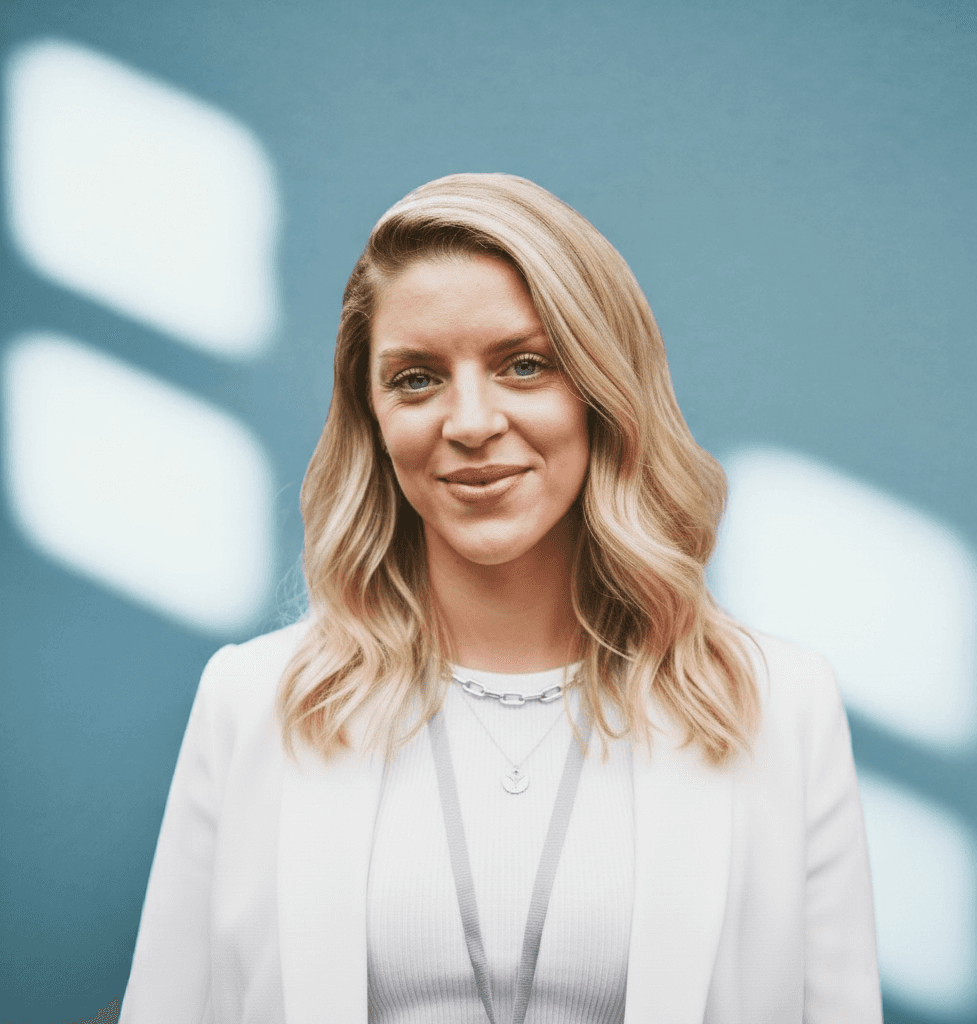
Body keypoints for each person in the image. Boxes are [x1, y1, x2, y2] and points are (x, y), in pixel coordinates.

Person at [120, 173, 882, 1023]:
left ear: (603, 391)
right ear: (371, 417)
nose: (472, 422)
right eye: (416, 380)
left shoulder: (782, 705)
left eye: (524, 366)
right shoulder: (252, 701)